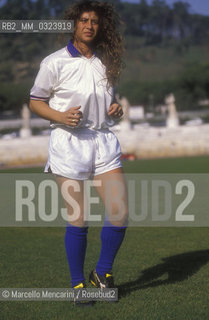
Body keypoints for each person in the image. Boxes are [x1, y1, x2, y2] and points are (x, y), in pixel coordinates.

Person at [29, 0, 128, 306]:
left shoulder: (105, 62)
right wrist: (59, 117)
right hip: (68, 144)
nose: (89, 25)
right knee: (79, 219)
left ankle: (102, 273)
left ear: (101, 27)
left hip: (102, 141)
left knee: (120, 214)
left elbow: (107, 103)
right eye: (83, 20)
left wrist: (116, 109)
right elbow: (35, 101)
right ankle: (77, 286)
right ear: (73, 25)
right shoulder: (53, 62)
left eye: (94, 21)